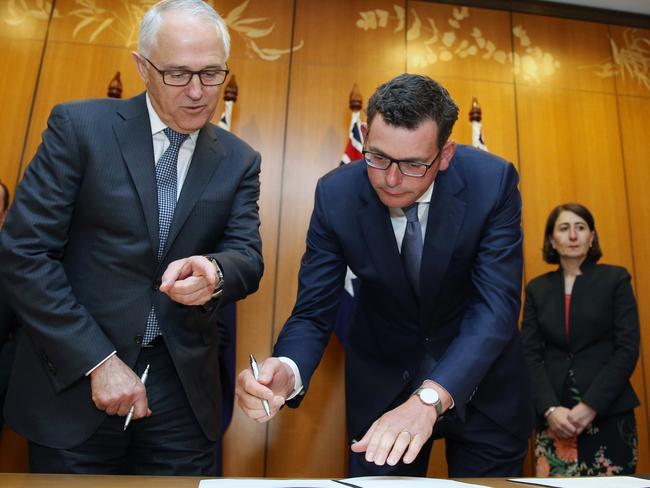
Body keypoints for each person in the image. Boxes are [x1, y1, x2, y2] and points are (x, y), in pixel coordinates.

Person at [0, 0, 263, 475]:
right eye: (178, 74)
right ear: (142, 67)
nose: (198, 92)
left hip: (181, 393)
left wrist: (216, 271)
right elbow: (24, 252)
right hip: (74, 379)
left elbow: (247, 256)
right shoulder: (80, 128)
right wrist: (97, 361)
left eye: (211, 73)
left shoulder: (239, 159)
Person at [236, 73, 533, 477]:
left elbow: (495, 308)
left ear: (445, 154)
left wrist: (429, 399)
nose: (390, 180)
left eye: (413, 165)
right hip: (384, 386)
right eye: (378, 158)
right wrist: (288, 369)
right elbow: (314, 309)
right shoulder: (336, 195)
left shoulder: (492, 183)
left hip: (485, 388)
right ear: (363, 134)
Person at [521, 203, 639, 476]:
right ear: (552, 239)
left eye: (580, 227)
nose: (573, 236)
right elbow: (529, 353)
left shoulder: (615, 279)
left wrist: (591, 406)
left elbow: (627, 349)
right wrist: (550, 409)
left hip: (607, 411)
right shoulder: (537, 289)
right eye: (564, 228)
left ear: (592, 237)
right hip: (556, 416)